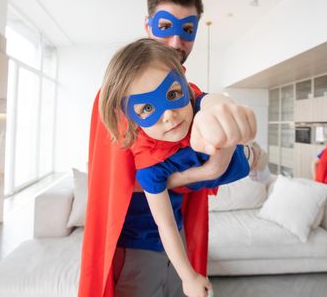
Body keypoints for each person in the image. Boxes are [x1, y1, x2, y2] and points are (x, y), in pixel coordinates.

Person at [78, 0, 257, 297]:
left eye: (187, 30)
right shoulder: (115, 96)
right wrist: (206, 172)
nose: (176, 42)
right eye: (164, 26)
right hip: (133, 241)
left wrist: (223, 110)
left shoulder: (187, 93)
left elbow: (207, 103)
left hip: (178, 232)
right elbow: (115, 183)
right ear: (147, 26)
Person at [99, 38, 250, 297]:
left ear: (183, 83)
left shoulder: (196, 106)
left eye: (172, 94)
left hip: (245, 159)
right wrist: (188, 276)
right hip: (144, 242)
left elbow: (211, 102)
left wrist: (221, 110)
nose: (168, 115)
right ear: (128, 116)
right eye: (147, 107)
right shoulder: (149, 166)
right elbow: (165, 224)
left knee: (255, 156)